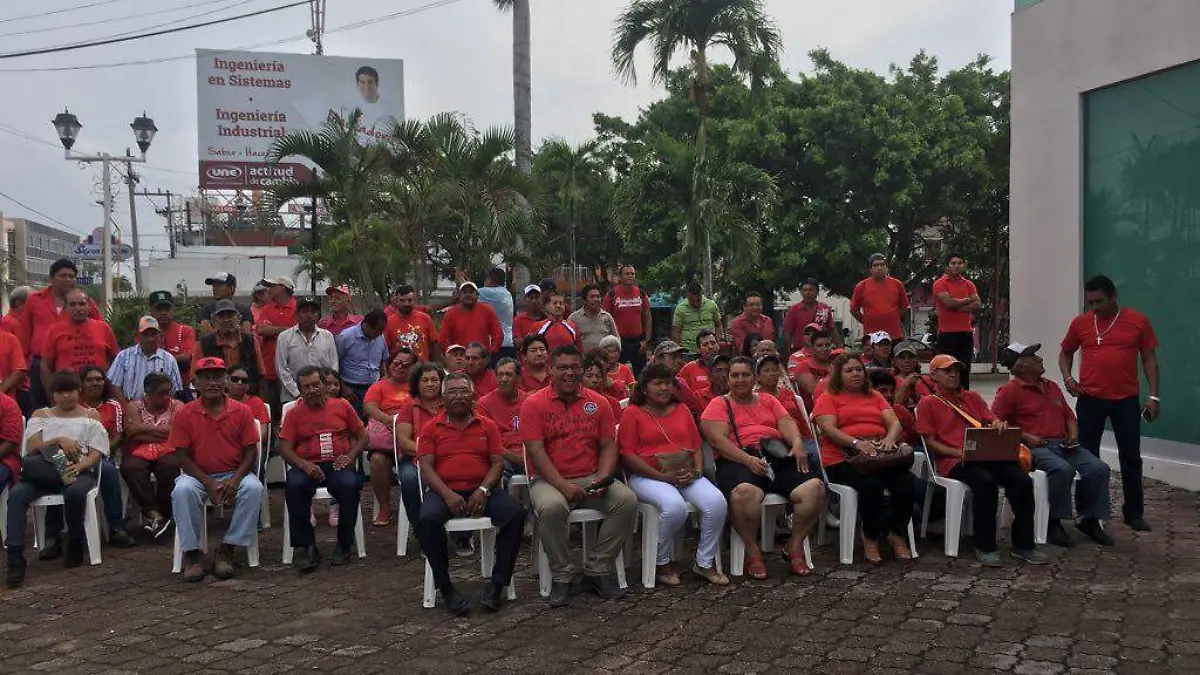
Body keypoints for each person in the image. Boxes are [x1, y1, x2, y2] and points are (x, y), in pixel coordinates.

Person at [521, 345, 637, 607]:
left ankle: (597, 568)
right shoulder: (533, 404)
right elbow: (536, 453)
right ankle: (562, 575)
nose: (569, 373)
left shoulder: (599, 403)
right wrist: (562, 485)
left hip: (591, 475)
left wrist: (603, 478)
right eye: (563, 368)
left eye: (575, 367)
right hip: (549, 480)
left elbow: (608, 446)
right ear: (551, 369)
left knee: (626, 501)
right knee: (551, 508)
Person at [915, 354, 1047, 566]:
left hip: (985, 455)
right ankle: (985, 546)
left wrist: (997, 424)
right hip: (954, 460)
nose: (953, 375)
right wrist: (957, 453)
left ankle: (1024, 544)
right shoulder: (928, 403)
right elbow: (929, 442)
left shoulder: (972, 398)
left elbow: (990, 418)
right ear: (934, 375)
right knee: (985, 483)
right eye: (947, 371)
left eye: (956, 370)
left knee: (1021, 480)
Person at [700, 357, 825, 579]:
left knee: (814, 489)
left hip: (776, 455)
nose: (740, 380)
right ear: (728, 379)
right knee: (744, 494)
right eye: (735, 375)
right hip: (738, 459)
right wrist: (748, 461)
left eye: (746, 375)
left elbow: (787, 424)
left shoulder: (768, 400)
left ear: (754, 378)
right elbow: (718, 441)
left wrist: (797, 444)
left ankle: (794, 546)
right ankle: (752, 550)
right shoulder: (719, 404)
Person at [416, 371, 526, 614]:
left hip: (482, 489)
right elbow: (426, 468)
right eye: (452, 392)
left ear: (472, 395)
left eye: (463, 391)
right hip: (444, 491)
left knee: (515, 514)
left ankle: (497, 584)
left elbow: (497, 463)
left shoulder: (487, 425)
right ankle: (446, 588)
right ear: (443, 398)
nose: (458, 396)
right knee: (426, 521)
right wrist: (447, 495)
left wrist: (484, 489)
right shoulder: (430, 427)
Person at [1058, 274, 1159, 532]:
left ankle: (1133, 513)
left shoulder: (1137, 321)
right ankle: (1087, 514)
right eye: (1091, 302)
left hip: (1126, 400)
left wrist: (1153, 396)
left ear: (1114, 296)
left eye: (1100, 301)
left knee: (1131, 457)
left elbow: (1148, 357)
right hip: (1090, 399)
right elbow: (1066, 352)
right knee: (1086, 456)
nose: (1095, 307)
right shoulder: (1080, 323)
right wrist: (1068, 378)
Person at [619, 363, 729, 586]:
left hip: (684, 473)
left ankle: (704, 562)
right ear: (644, 388)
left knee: (717, 502)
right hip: (647, 476)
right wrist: (662, 477)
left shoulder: (682, 409)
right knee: (674, 507)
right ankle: (661, 562)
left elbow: (696, 446)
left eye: (668, 383)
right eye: (657, 383)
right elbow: (629, 456)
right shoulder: (632, 413)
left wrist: (697, 471)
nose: (664, 388)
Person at [995, 342, 1113, 547]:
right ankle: (1053, 521)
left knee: (1099, 469)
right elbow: (995, 423)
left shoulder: (1051, 386)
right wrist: (1026, 436)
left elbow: (1069, 416)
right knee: (1062, 470)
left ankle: (1089, 519)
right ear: (1022, 366)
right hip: (1035, 447)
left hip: (1064, 444)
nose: (1040, 359)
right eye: (1034, 357)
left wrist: (1073, 435)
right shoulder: (1009, 391)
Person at [4, 371, 108, 587]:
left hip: (77, 470)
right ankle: (14, 555)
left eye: (70, 391)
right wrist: (60, 439)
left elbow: (95, 453)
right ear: (53, 394)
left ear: (79, 391)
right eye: (60, 392)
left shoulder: (91, 416)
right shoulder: (41, 414)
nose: (66, 396)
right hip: (43, 472)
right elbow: (32, 447)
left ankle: (75, 541)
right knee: (16, 495)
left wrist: (80, 466)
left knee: (75, 493)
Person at [812, 353, 916, 563]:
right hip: (843, 459)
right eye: (849, 370)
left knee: (906, 483)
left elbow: (894, 423)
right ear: (838, 375)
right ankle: (871, 536)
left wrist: (889, 439)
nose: (855, 374)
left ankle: (897, 534)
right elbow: (828, 429)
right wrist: (856, 443)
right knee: (871, 486)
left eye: (859, 369)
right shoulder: (828, 397)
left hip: (878, 455)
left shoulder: (874, 396)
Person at [169, 357, 264, 582]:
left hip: (234, 472)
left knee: (253, 489)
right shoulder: (184, 413)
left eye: (218, 377)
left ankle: (227, 549)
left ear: (226, 381)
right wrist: (208, 482)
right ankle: (192, 554)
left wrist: (235, 480)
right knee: (182, 491)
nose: (212, 383)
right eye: (206, 378)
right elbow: (181, 456)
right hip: (197, 476)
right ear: (196, 383)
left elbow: (251, 451)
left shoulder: (242, 411)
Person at [278, 366, 367, 571]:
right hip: (307, 466)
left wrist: (350, 456)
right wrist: (303, 464)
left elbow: (363, 436)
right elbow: (285, 448)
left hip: (337, 464)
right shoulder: (294, 413)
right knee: (294, 485)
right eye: (306, 387)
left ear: (325, 386)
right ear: (300, 390)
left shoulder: (342, 406)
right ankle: (307, 547)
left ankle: (344, 544)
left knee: (350, 485)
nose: (312, 390)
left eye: (316, 385)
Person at [20, 259, 103, 409]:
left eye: (71, 276)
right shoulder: (34, 300)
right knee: (42, 407)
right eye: (63, 276)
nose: (68, 279)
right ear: (52, 278)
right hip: (41, 363)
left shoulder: (84, 301)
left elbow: (99, 328)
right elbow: (24, 333)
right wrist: (24, 365)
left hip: (73, 362)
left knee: (77, 407)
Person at [76, 365, 136, 549]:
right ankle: (57, 535)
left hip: (104, 455)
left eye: (99, 379)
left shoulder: (113, 405)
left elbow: (118, 436)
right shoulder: (74, 405)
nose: (95, 383)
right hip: (76, 456)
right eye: (89, 380)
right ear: (81, 384)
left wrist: (99, 452)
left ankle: (116, 527)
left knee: (109, 471)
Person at [119, 372, 184, 539]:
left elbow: (178, 432)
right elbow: (132, 434)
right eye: (162, 392)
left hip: (170, 449)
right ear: (148, 392)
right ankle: (153, 513)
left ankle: (163, 514)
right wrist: (165, 432)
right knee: (131, 468)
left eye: (169, 391)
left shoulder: (177, 405)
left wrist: (141, 428)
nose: (167, 396)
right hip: (138, 449)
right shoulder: (134, 406)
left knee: (170, 467)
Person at [362, 350, 415, 525]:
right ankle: (384, 507)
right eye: (396, 363)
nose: (400, 367)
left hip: (413, 436)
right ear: (389, 364)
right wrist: (389, 420)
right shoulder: (379, 386)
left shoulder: (418, 386)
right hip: (387, 438)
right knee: (377, 460)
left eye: (406, 365)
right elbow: (369, 408)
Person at [395, 363, 445, 529]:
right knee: (409, 480)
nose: (430, 384)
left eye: (434, 380)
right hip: (414, 457)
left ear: (441, 383)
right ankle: (420, 529)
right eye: (425, 380)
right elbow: (404, 441)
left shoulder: (450, 404)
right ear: (416, 383)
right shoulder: (409, 407)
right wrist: (429, 453)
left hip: (448, 456)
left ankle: (461, 534)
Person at [41, 289, 119, 390]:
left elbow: (116, 361)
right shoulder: (54, 330)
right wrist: (52, 394)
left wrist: (112, 390)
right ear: (65, 307)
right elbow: (45, 366)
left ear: (89, 306)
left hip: (99, 389)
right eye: (72, 304)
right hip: (68, 390)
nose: (78, 308)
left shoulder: (103, 328)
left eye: (82, 304)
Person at [193, 299, 264, 394]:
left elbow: (261, 373)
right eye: (221, 316)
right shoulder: (203, 343)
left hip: (247, 395)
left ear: (238, 318)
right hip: (215, 397)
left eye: (230, 316)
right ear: (214, 321)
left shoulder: (250, 340)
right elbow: (195, 376)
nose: (226, 320)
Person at [275, 298, 339, 404]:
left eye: (313, 312)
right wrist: (298, 393)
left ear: (318, 315)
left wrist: (325, 389)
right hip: (292, 397)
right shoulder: (285, 337)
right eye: (305, 311)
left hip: (322, 396)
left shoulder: (327, 336)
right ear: (297, 314)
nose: (309, 315)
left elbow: (333, 366)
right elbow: (281, 368)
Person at [932, 253, 981, 388]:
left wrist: (957, 306)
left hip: (965, 334)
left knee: (964, 369)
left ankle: (964, 395)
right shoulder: (940, 283)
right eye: (953, 263)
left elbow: (977, 304)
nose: (956, 266)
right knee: (946, 369)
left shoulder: (968, 284)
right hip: (947, 334)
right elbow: (948, 303)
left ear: (964, 265)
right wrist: (966, 300)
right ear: (947, 266)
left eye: (959, 263)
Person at [107, 316, 183, 401]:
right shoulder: (124, 356)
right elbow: (114, 385)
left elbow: (175, 390)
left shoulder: (169, 360)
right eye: (145, 334)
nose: (150, 339)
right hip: (129, 404)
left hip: (160, 406)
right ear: (137, 336)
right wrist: (128, 407)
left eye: (153, 334)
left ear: (159, 335)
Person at [255, 276, 298, 418]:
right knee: (270, 412)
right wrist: (286, 329)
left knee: (291, 412)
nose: (268, 290)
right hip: (269, 369)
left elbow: (298, 332)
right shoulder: (267, 309)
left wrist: (273, 329)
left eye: (272, 286)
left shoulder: (298, 307)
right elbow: (262, 330)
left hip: (291, 373)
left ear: (282, 288)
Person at [477, 357, 528, 474]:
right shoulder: (484, 404)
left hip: (530, 454)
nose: (503, 379)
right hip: (503, 457)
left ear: (518, 378)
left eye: (508, 374)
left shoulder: (529, 401)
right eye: (500, 375)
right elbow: (488, 443)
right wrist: (518, 460)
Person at [335, 309, 388, 417]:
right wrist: (343, 387)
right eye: (377, 331)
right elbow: (335, 364)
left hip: (374, 387)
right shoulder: (345, 337)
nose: (380, 334)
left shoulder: (380, 338)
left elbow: (383, 360)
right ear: (366, 325)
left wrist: (385, 379)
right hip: (352, 390)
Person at [603, 265, 652, 375]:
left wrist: (646, 340)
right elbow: (605, 319)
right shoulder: (611, 294)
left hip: (638, 342)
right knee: (616, 373)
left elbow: (647, 317)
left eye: (632, 274)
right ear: (620, 276)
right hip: (619, 342)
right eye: (627, 274)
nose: (630, 276)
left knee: (642, 375)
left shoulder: (641, 294)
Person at [148, 291, 196, 399]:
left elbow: (187, 358)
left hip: (181, 390)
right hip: (151, 390)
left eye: (167, 309)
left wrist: (157, 360)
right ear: (150, 311)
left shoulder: (185, 330)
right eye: (159, 309)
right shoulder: (145, 333)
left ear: (173, 310)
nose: (163, 313)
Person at [850, 253, 910, 340]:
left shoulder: (897, 284)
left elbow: (904, 307)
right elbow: (853, 310)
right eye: (876, 265)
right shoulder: (861, 286)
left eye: (882, 264)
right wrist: (866, 320)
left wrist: (894, 317)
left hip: (894, 335)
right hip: (872, 336)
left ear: (887, 268)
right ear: (870, 269)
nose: (879, 268)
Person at [440, 282, 503, 356]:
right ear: (459, 295)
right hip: (460, 358)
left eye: (471, 292)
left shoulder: (487, 310)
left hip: (481, 358)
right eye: (464, 292)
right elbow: (443, 338)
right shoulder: (450, 313)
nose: (468, 295)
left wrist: (491, 352)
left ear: (477, 295)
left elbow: (498, 335)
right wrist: (452, 355)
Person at [783, 278, 843, 354]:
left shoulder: (824, 308)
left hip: (822, 351)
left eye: (811, 290)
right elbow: (787, 333)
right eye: (805, 290)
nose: (808, 293)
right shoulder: (793, 310)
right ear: (801, 292)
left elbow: (832, 329)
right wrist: (787, 354)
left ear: (817, 292)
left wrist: (840, 349)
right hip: (800, 351)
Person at [384, 284, 438, 363]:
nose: (406, 304)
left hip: (423, 368)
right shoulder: (388, 323)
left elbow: (434, 344)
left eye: (410, 300)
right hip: (399, 368)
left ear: (414, 301)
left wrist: (434, 364)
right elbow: (385, 351)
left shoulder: (425, 318)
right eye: (402, 300)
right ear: (396, 302)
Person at [651, 341, 705, 416]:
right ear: (659, 359)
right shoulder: (645, 385)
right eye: (673, 357)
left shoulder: (680, 384)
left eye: (680, 357)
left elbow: (697, 412)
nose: (679, 361)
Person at [869, 370, 918, 447]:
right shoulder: (863, 412)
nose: (889, 395)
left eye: (892, 391)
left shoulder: (899, 409)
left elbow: (915, 435)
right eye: (883, 391)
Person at [671, 282, 723, 354]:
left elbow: (719, 325)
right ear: (687, 296)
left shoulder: (711, 305)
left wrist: (716, 342)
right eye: (692, 301)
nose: (695, 303)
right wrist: (678, 351)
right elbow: (676, 332)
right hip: (689, 351)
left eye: (698, 300)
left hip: (710, 350)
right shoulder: (680, 309)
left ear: (701, 294)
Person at [790, 330, 834, 413]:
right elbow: (815, 391)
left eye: (827, 345)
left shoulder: (836, 363)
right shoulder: (803, 366)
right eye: (819, 345)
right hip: (815, 410)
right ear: (812, 348)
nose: (824, 349)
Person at [478, 267, 515, 359]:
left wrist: (459, 277)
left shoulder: (487, 292)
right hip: (508, 342)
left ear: (490, 279)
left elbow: (468, 293)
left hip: (495, 343)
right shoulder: (506, 293)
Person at [569, 284, 618, 353]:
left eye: (598, 296)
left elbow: (616, 340)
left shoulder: (607, 317)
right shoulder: (574, 318)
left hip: (604, 358)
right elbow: (569, 342)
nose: (596, 300)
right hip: (582, 358)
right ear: (584, 300)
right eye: (592, 297)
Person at [581, 352, 624, 423]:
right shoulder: (570, 401)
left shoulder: (613, 403)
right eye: (589, 376)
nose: (594, 380)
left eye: (598, 376)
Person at [892, 339, 932, 410]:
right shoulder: (891, 382)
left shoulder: (927, 381)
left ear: (916, 360)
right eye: (902, 358)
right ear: (895, 361)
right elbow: (894, 406)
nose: (907, 361)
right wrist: (905, 384)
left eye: (910, 357)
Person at [678, 329, 720, 396]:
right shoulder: (689, 368)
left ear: (718, 345)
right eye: (705, 345)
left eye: (713, 343)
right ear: (698, 350)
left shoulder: (727, 366)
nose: (710, 347)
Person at [598, 335, 635, 399]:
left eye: (615, 351)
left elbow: (633, 388)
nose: (612, 355)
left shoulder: (625, 369)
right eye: (609, 351)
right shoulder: (599, 370)